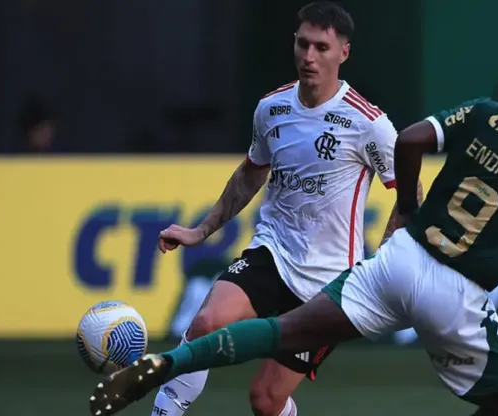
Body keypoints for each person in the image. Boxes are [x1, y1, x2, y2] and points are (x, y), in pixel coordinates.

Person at [88, 35, 498, 416]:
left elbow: (408, 140)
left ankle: (172, 362)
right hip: (456, 296)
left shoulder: (487, 113)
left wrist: (406, 206)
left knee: (284, 332)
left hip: (400, 259)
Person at [136, 3, 414, 416]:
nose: (309, 56)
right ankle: (165, 410)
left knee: (265, 400)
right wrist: (200, 231)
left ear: (344, 53)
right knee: (206, 324)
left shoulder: (367, 123)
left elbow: (410, 190)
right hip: (272, 255)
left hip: (329, 286)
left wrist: (387, 257)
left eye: (322, 47)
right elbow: (251, 174)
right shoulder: (272, 109)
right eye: (303, 44)